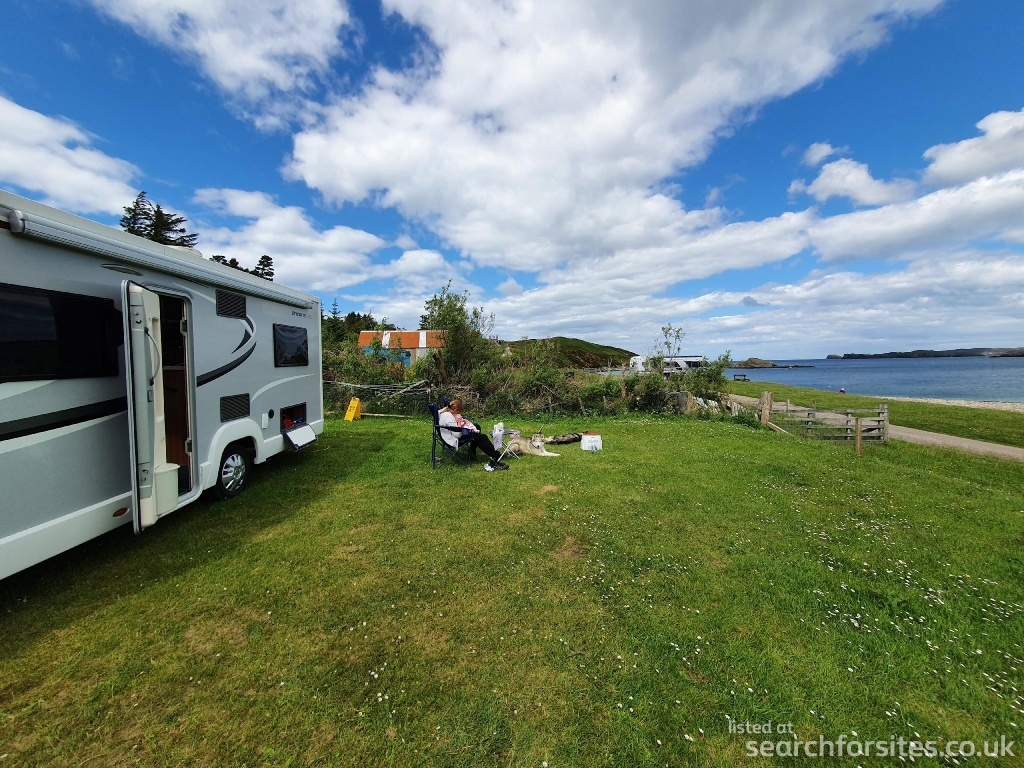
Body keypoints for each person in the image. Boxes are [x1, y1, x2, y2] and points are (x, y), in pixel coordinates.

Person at [438, 399, 509, 471]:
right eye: (458, 412)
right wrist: (459, 422)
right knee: (482, 437)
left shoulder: (445, 411)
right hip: (453, 438)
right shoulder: (448, 416)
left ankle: (472, 453)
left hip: (451, 434)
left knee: (476, 427)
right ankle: (496, 455)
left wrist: (464, 421)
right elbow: (457, 435)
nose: (458, 414)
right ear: (455, 409)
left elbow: (451, 422)